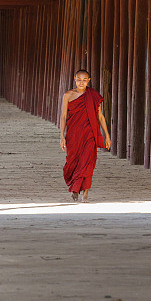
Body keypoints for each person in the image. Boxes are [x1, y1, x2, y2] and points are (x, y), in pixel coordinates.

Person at [60, 69, 111, 202]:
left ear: (88, 81)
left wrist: (107, 135)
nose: (81, 82)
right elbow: (64, 116)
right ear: (74, 79)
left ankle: (85, 193)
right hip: (74, 134)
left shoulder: (92, 95)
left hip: (90, 133)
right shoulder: (68, 95)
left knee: (88, 162)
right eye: (79, 79)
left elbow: (100, 116)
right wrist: (62, 136)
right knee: (74, 161)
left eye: (84, 80)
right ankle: (75, 188)